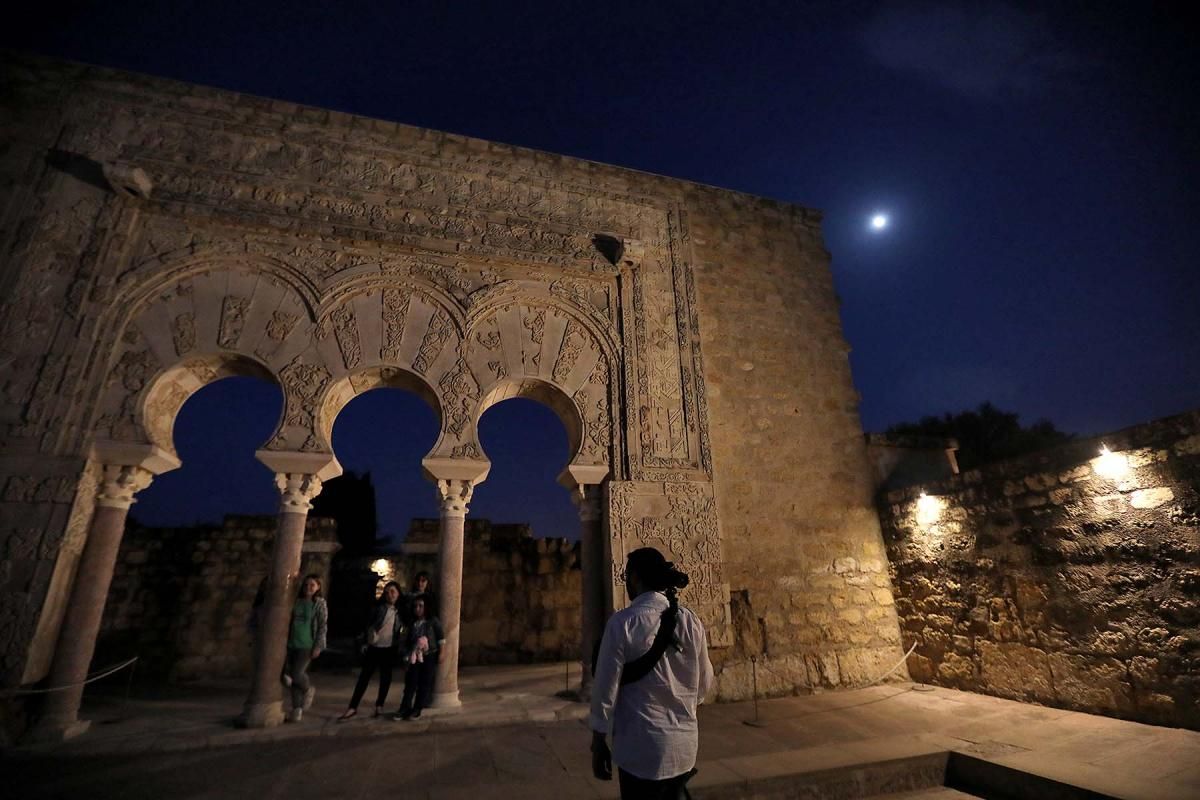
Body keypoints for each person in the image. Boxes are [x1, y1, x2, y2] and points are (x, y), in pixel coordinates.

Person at [589, 548, 714, 800]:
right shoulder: (691, 621)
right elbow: (704, 684)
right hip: (684, 749)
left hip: (640, 749)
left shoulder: (622, 623)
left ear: (634, 578)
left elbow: (605, 688)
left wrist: (599, 740)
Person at [339, 581, 406, 721]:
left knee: (385, 679)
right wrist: (364, 642)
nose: (390, 595)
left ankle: (379, 706)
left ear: (399, 593)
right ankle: (352, 707)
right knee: (364, 678)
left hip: (390, 648)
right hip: (374, 647)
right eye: (387, 592)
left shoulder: (401, 611)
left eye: (393, 591)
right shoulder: (379, 608)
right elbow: (368, 625)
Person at [282, 573, 328, 723]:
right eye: (306, 585)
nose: (308, 588)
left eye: (312, 585)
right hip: (291, 644)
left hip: (307, 645)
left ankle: (308, 689)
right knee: (291, 680)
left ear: (318, 587)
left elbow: (322, 626)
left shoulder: (319, 603)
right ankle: (297, 710)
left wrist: (318, 646)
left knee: (296, 673)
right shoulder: (296, 601)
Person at [392, 594, 445, 720]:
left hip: (428, 655)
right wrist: (406, 655)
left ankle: (417, 708)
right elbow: (406, 639)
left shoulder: (433, 621)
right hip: (413, 655)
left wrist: (442, 653)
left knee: (424, 683)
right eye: (415, 606)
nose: (418, 609)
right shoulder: (411, 623)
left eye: (421, 606)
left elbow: (441, 638)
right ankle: (404, 708)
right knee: (410, 683)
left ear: (426, 607)